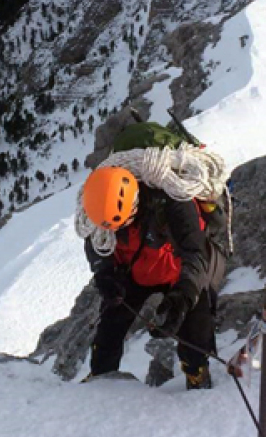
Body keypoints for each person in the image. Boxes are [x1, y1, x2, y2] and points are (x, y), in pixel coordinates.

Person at [81, 166, 226, 389]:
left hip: (178, 271)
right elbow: (96, 244)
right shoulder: (99, 211)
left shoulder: (174, 202)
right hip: (135, 270)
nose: (115, 231)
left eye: (122, 223)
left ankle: (196, 371)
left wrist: (184, 296)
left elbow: (196, 253)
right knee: (110, 324)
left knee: (196, 325)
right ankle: (101, 375)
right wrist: (104, 272)